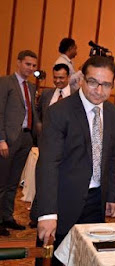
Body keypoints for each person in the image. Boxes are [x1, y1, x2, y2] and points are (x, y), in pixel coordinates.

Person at [35, 56, 115, 256]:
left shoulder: (114, 114)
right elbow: (48, 163)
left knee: (87, 257)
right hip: (62, 200)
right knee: (57, 258)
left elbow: (114, 157)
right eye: (93, 82)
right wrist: (47, 213)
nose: (99, 90)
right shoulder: (59, 111)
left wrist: (111, 195)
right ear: (82, 79)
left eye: (106, 85)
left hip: (96, 200)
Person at [0, 50, 39, 236]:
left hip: (25, 139)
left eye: (33, 65)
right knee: (2, 181)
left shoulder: (31, 88)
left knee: (13, 182)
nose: (30, 68)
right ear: (18, 63)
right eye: (27, 64)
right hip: (8, 139)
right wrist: (1, 139)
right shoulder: (5, 82)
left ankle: (7, 217)